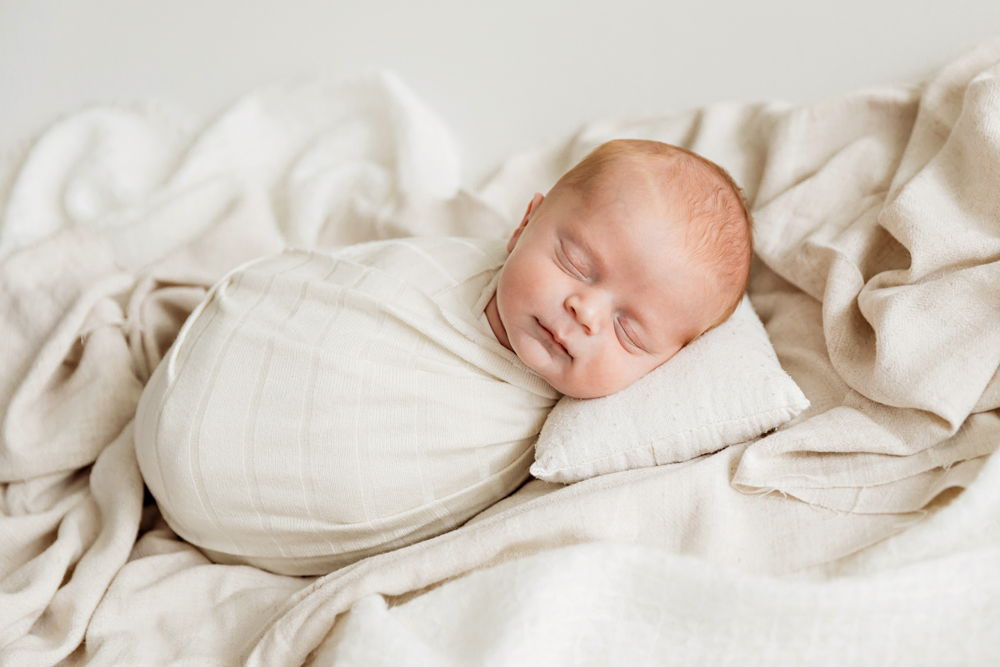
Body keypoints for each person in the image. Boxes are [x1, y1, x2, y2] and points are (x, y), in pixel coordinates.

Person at [133, 139, 753, 575]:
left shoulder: (572, 440)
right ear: (524, 225)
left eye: (630, 331)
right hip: (192, 387)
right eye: (576, 263)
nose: (585, 313)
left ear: (668, 365)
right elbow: (340, 289)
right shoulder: (444, 270)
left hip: (244, 515)